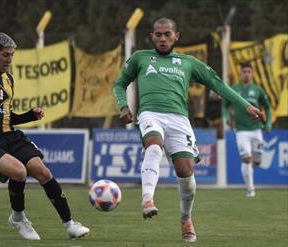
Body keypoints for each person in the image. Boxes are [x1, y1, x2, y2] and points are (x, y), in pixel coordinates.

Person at [113, 17, 264, 243]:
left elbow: (218, 85)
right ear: (152, 36)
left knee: (186, 172)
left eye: (167, 34)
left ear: (176, 36)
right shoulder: (140, 58)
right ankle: (147, 200)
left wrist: (246, 105)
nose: (162, 39)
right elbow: (119, 84)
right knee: (153, 147)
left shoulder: (188, 63)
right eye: (158, 34)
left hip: (179, 120)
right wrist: (123, 105)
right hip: (150, 114)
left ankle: (186, 219)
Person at [0, 32, 90, 241]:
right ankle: (18, 218)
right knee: (19, 172)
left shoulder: (9, 79)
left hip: (10, 136)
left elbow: (7, 117)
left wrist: (30, 115)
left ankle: (70, 224)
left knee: (43, 172)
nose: (10, 60)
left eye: (12, 55)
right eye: (5, 55)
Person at [222, 63, 272, 197]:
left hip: (256, 129)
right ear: (240, 73)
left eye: (249, 71)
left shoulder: (258, 90)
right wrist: (226, 117)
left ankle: (258, 159)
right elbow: (225, 105)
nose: (246, 74)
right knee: (247, 159)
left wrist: (268, 123)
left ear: (253, 73)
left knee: (256, 160)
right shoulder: (234, 89)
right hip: (241, 131)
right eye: (244, 71)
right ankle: (251, 190)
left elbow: (267, 107)